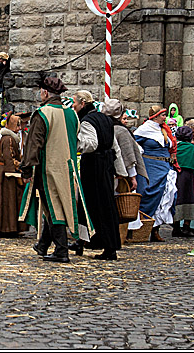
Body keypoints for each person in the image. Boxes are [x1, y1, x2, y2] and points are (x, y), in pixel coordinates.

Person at [19, 75, 92, 263]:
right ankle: (44, 245)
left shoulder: (43, 113)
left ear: (44, 93)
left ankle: (61, 250)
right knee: (56, 207)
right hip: (69, 168)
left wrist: (27, 170)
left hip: (48, 168)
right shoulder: (72, 114)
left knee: (53, 209)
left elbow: (33, 144)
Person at [71, 90, 130, 260]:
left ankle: (104, 246)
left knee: (91, 205)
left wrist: (74, 144)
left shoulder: (87, 121)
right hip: (106, 166)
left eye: (74, 102)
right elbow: (114, 146)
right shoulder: (105, 119)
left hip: (94, 167)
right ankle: (83, 241)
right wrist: (120, 171)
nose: (73, 106)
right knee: (103, 205)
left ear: (83, 103)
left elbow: (91, 143)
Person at [100, 101, 145, 244]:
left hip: (103, 172)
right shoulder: (121, 131)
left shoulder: (101, 128)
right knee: (118, 207)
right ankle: (117, 237)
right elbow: (128, 156)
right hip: (118, 175)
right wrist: (133, 177)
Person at [132, 105, 178, 243]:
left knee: (163, 196)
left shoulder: (165, 130)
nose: (165, 117)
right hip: (150, 166)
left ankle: (155, 229)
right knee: (147, 193)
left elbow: (171, 146)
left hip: (164, 166)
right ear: (155, 116)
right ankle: (139, 229)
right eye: (163, 115)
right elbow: (133, 144)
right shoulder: (144, 129)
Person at [171, 125, 194, 237]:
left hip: (177, 176)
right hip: (189, 177)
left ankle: (176, 227)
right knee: (189, 198)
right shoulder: (193, 149)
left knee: (178, 199)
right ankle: (186, 227)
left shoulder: (176, 148)